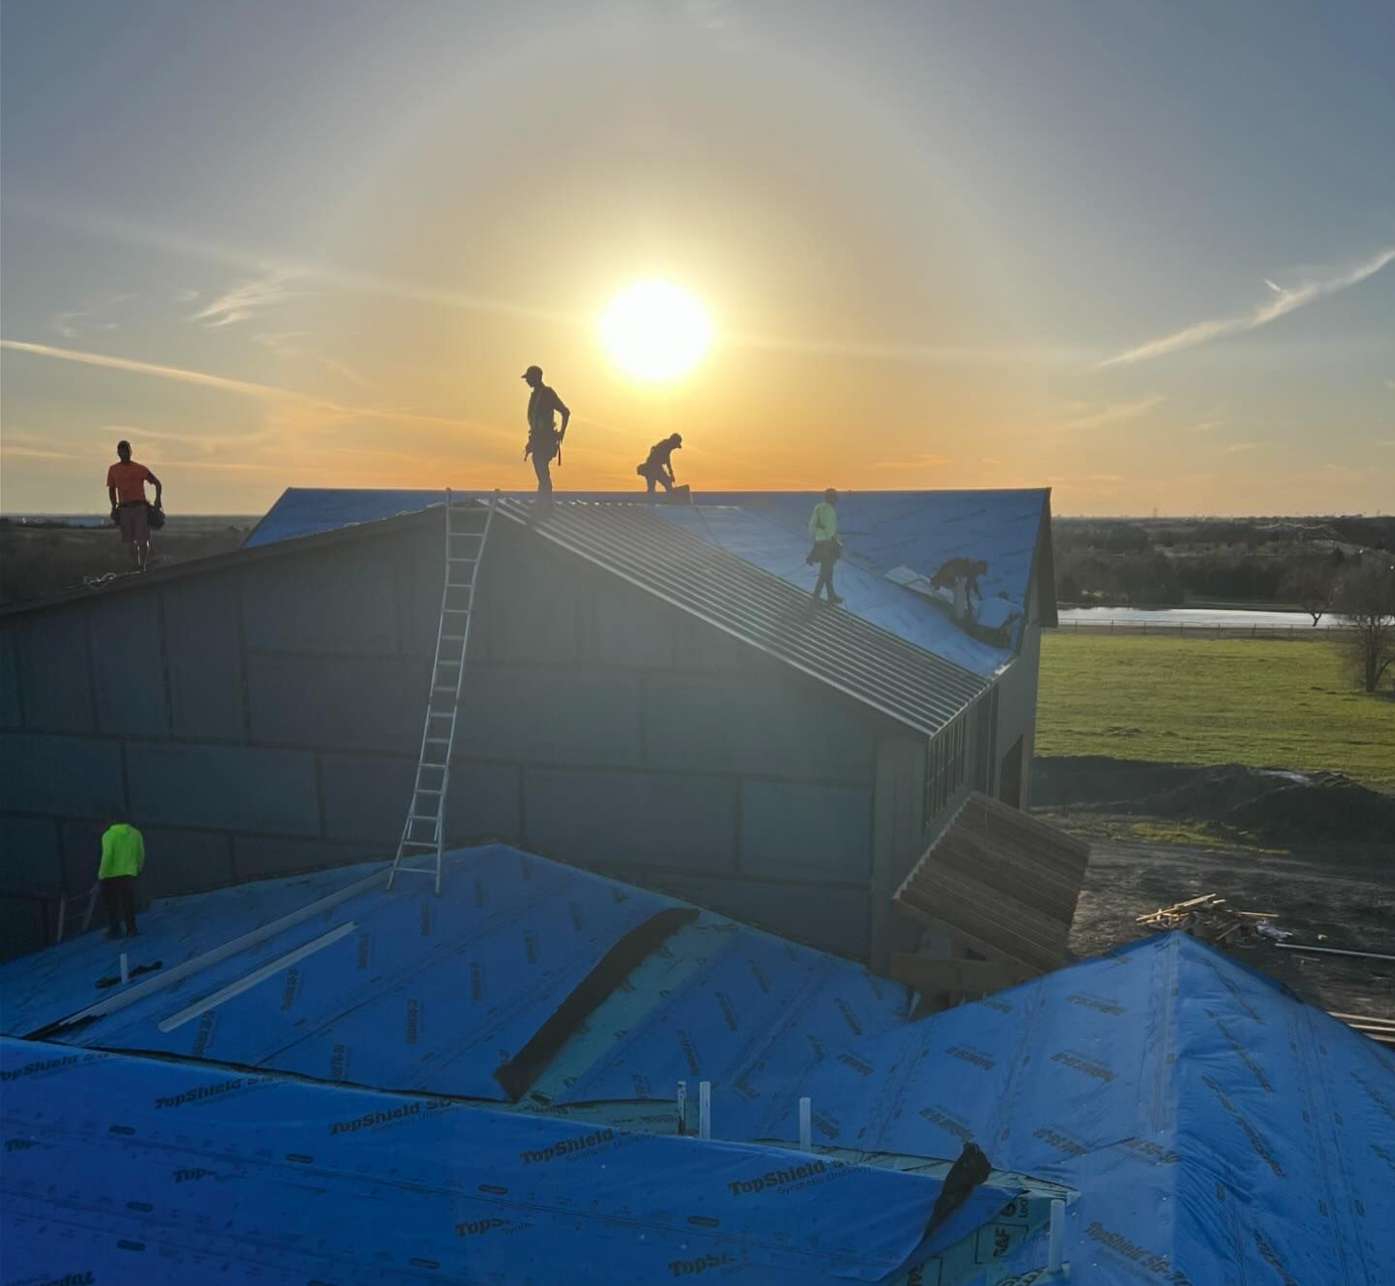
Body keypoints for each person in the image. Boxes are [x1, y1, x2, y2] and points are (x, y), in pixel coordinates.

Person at [106, 440, 163, 571]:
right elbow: (111, 489)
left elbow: (157, 483)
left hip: (140, 508)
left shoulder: (139, 468)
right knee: (129, 542)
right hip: (124, 508)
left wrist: (157, 500)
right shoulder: (113, 470)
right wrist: (113, 507)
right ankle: (136, 566)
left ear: (131, 452)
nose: (124, 454)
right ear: (118, 453)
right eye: (122, 451)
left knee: (143, 540)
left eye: (127, 451)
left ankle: (142, 565)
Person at [521, 364, 570, 506]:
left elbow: (565, 412)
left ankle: (545, 504)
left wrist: (561, 433)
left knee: (541, 468)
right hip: (538, 440)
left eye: (528, 378)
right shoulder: (536, 395)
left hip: (546, 440)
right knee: (540, 468)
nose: (526, 381)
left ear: (536, 378)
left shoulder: (547, 394)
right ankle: (543, 501)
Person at [98, 810, 145, 938]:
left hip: (110, 875)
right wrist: (139, 868)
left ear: (111, 820)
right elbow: (141, 853)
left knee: (111, 904)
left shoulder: (108, 835)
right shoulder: (136, 834)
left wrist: (101, 874)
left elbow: (107, 856)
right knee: (128, 902)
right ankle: (131, 929)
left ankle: (115, 930)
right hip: (129, 873)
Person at [806, 488, 843, 606]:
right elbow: (831, 532)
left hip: (819, 543)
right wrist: (835, 538)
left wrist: (820, 529)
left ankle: (831, 595)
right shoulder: (831, 511)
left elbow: (811, 528)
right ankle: (816, 596)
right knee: (825, 572)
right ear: (833, 499)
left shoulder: (818, 508)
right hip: (829, 545)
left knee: (829, 571)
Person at [637, 433, 683, 498]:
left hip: (653, 467)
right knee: (666, 483)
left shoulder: (667, 445)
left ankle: (651, 503)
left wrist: (670, 473)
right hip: (653, 467)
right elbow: (666, 460)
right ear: (673, 442)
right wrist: (671, 473)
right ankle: (670, 499)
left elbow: (666, 460)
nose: (675, 447)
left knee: (652, 488)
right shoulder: (666, 446)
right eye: (676, 445)